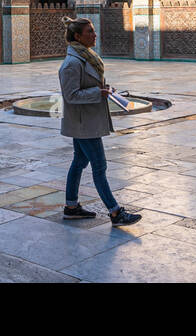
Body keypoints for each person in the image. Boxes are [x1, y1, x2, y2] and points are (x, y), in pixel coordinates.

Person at [58, 16, 142, 227]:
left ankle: (71, 207)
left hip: (87, 120)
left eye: (94, 31)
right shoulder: (71, 63)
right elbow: (71, 96)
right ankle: (115, 213)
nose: (94, 35)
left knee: (79, 162)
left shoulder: (86, 57)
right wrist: (98, 92)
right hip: (83, 124)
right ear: (77, 36)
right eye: (90, 32)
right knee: (99, 166)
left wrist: (104, 90)